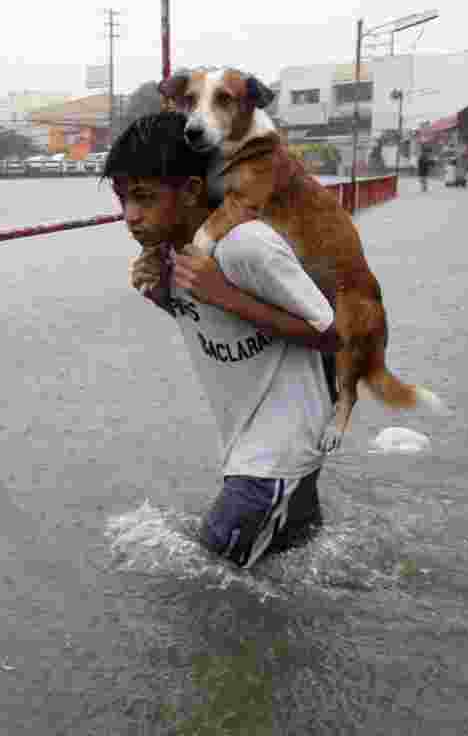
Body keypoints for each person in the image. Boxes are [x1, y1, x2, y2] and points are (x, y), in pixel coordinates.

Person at [103, 113, 340, 568]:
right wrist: (163, 298)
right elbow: (219, 327)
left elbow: (333, 334)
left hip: (272, 460)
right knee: (292, 578)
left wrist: (225, 294)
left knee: (208, 598)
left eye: (144, 198)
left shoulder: (245, 245)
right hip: (263, 452)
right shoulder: (173, 251)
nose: (130, 216)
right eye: (122, 198)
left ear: (192, 190)